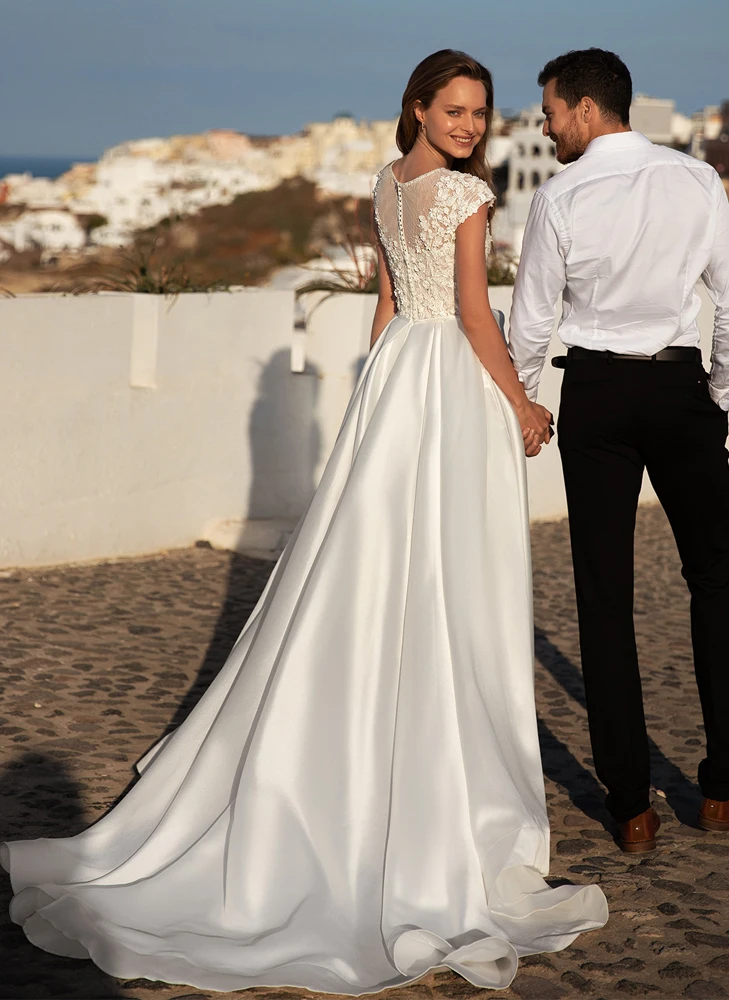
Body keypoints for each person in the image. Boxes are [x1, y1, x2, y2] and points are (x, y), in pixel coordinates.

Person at [1, 50, 606, 995]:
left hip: (398, 378)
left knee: (374, 566)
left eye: (480, 113)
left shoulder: (389, 183)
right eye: (454, 110)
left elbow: (389, 308)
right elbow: (477, 320)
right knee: (445, 575)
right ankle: (429, 766)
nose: (469, 127)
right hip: (444, 384)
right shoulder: (460, 196)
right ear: (416, 108)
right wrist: (524, 405)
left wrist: (371, 398)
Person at [508, 48, 729, 853]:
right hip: (680, 389)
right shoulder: (696, 180)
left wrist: (526, 407)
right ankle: (720, 790)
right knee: (713, 576)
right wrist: (714, 398)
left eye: (549, 112)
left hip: (599, 401)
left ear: (585, 108)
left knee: (603, 593)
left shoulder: (560, 196)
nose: (545, 128)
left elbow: (533, 323)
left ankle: (630, 808)